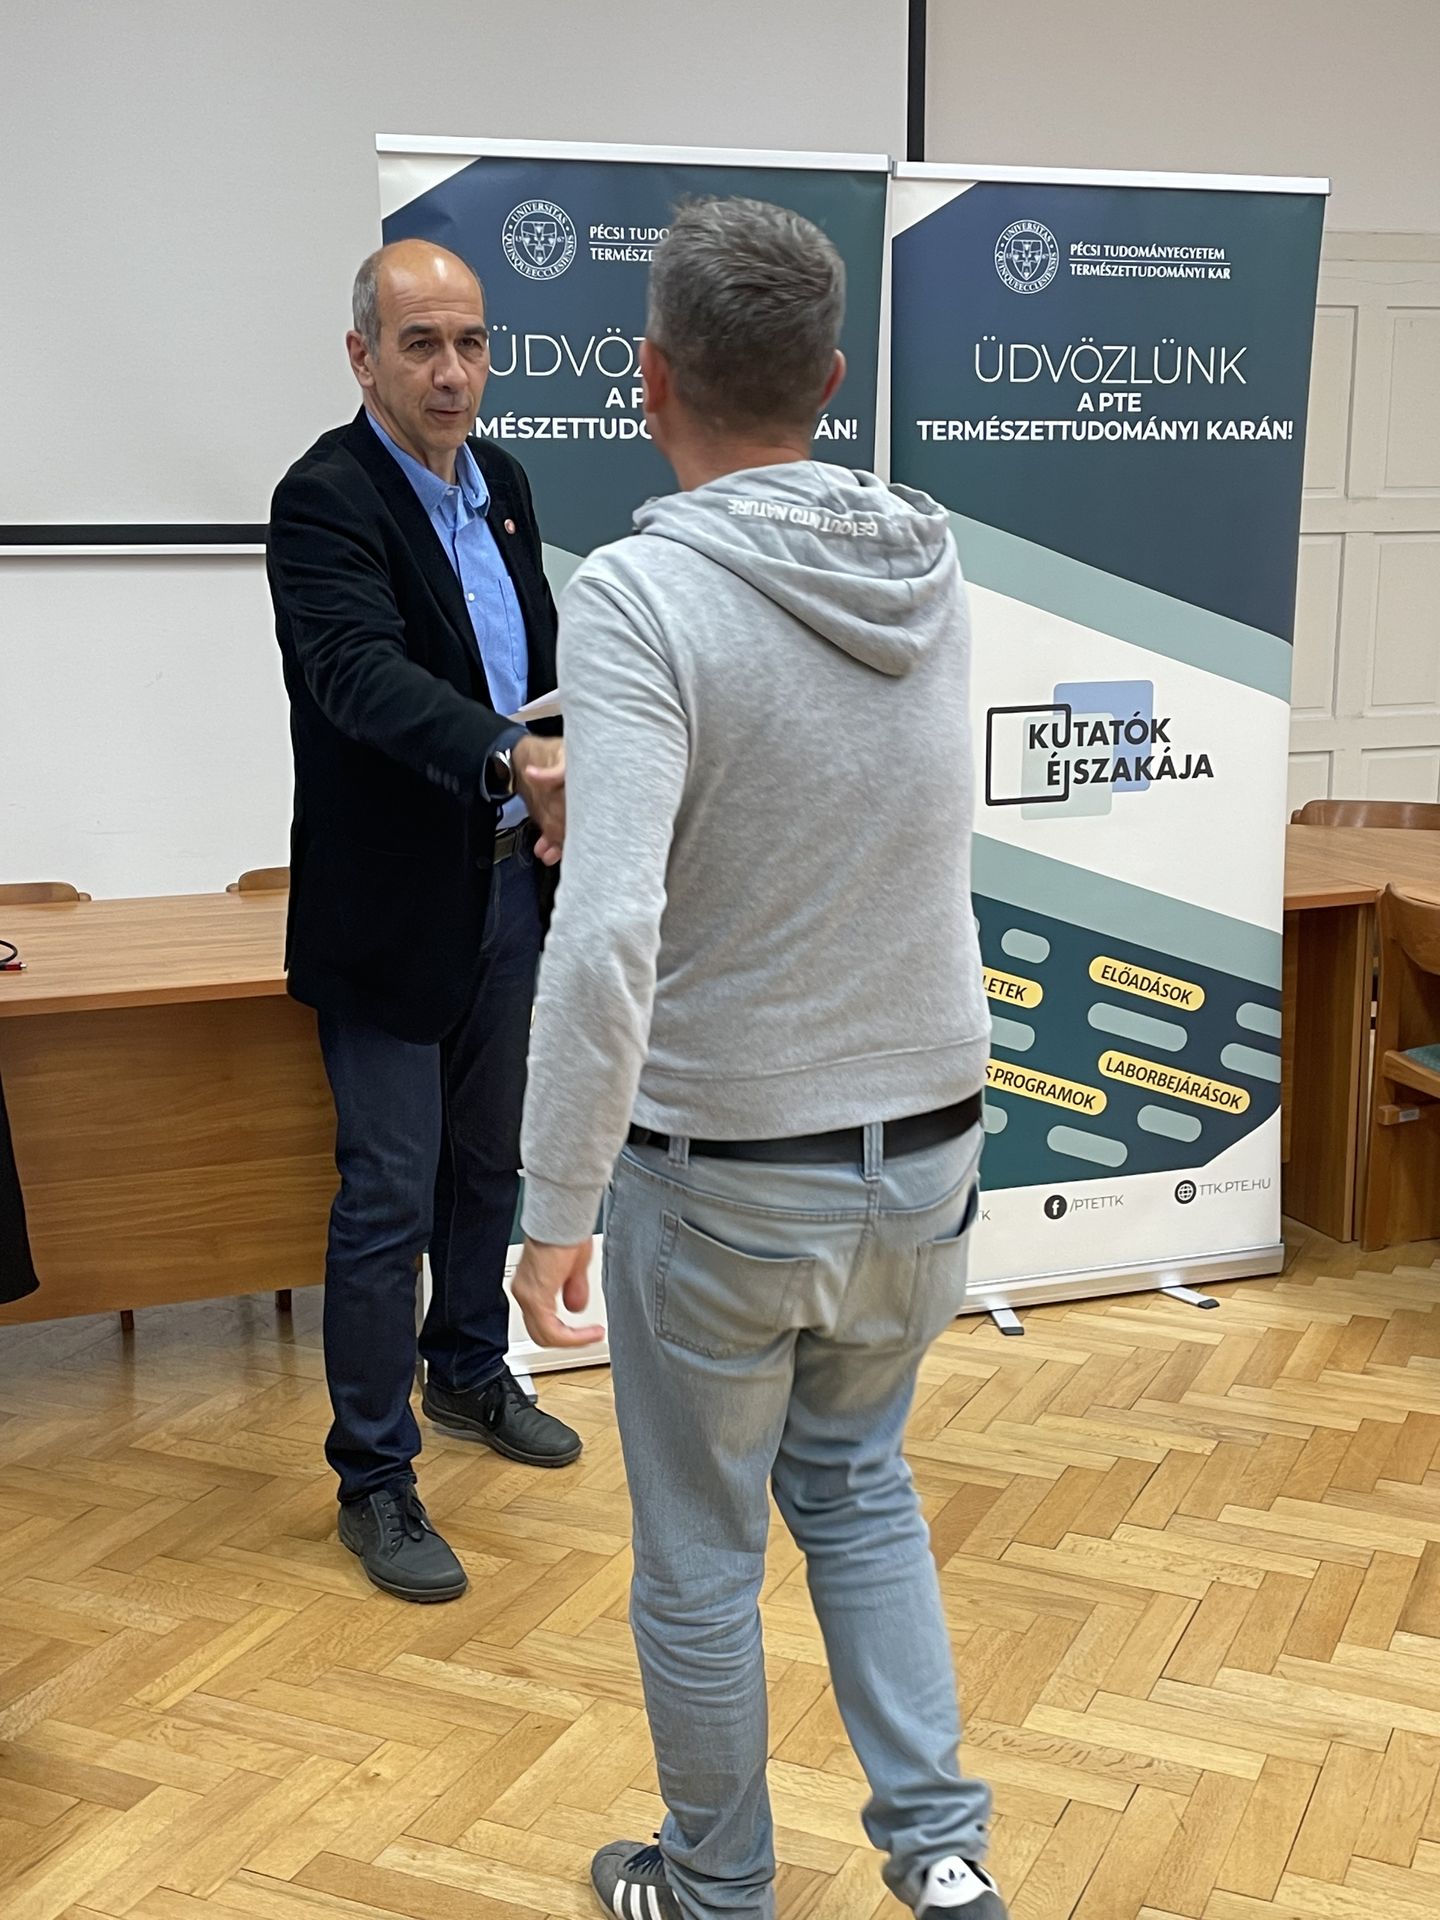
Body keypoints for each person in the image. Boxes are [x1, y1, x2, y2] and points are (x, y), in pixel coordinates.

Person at [513, 199, 1004, 1920]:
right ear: (834, 377)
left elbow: (609, 933)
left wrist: (554, 1201)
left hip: (726, 1171)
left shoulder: (639, 593)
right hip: (928, 1147)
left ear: (649, 379)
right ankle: (946, 1864)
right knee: (861, 1495)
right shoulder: (932, 567)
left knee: (702, 1563)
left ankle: (716, 1890)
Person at [267, 238, 582, 1608]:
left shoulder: (502, 485)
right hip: (389, 907)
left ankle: (467, 1373)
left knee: (487, 1162)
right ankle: (373, 1477)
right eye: (420, 345)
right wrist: (508, 755)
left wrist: (572, 758)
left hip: (510, 882)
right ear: (362, 357)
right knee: (388, 1195)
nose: (453, 373)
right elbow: (359, 677)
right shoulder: (323, 498)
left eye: (471, 343)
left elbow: (539, 663)